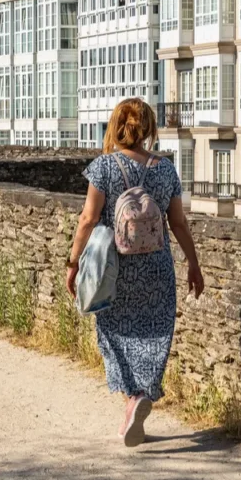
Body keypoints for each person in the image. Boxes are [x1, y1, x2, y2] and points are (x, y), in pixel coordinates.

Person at [66, 98, 205, 447]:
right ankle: (141, 394)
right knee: (156, 331)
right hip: (157, 268)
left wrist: (73, 263)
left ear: (116, 126)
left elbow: (87, 220)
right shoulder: (165, 170)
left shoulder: (103, 168)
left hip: (114, 270)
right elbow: (178, 223)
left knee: (114, 331)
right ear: (148, 129)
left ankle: (132, 398)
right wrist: (193, 263)